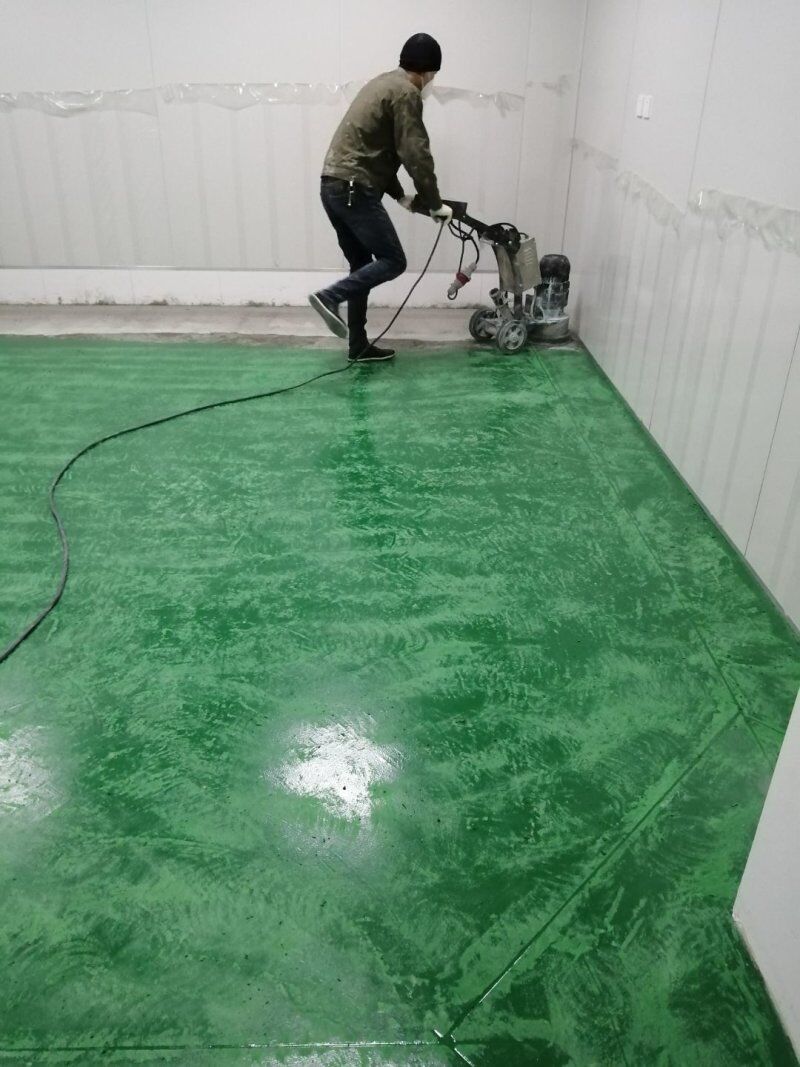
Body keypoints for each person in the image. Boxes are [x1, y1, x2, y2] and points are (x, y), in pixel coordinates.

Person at [309, 33, 453, 362]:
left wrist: (401, 197)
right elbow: (415, 154)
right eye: (433, 75)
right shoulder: (406, 93)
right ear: (428, 71)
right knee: (393, 260)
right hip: (354, 188)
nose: (431, 82)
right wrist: (435, 204)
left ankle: (358, 346)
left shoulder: (383, 83)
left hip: (333, 186)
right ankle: (330, 297)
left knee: (361, 266)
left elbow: (378, 149)